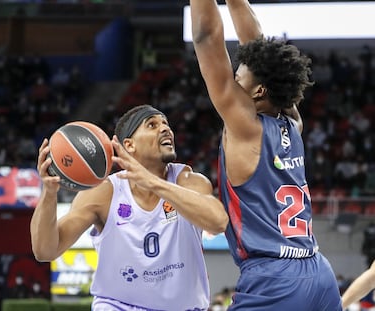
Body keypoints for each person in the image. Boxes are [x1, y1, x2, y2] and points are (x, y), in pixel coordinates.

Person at [190, 0, 342, 310]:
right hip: (317, 270)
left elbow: (206, 38)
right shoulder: (293, 123)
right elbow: (257, 46)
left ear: (258, 92)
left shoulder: (245, 126)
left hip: (274, 278)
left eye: (238, 77)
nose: (232, 81)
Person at [30, 104, 229, 311]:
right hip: (118, 306)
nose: (165, 129)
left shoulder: (189, 181)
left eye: (166, 124)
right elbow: (45, 250)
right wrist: (49, 193)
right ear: (129, 145)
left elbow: (218, 222)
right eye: (152, 125)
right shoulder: (104, 193)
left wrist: (153, 182)